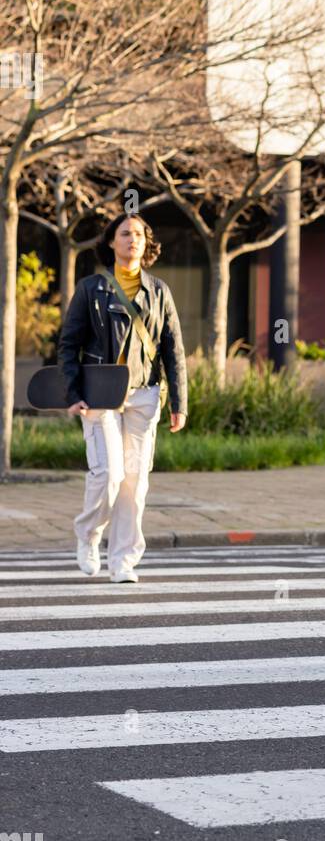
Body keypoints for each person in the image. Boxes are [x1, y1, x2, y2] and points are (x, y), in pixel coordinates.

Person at [56, 213, 188, 583]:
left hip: (145, 396)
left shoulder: (159, 291)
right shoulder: (90, 288)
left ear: (147, 245)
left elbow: (172, 350)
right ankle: (88, 535)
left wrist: (179, 403)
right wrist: (73, 393)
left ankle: (123, 561)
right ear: (111, 242)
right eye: (125, 233)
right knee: (109, 474)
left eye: (140, 235)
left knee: (135, 480)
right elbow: (68, 346)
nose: (133, 239)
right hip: (100, 396)